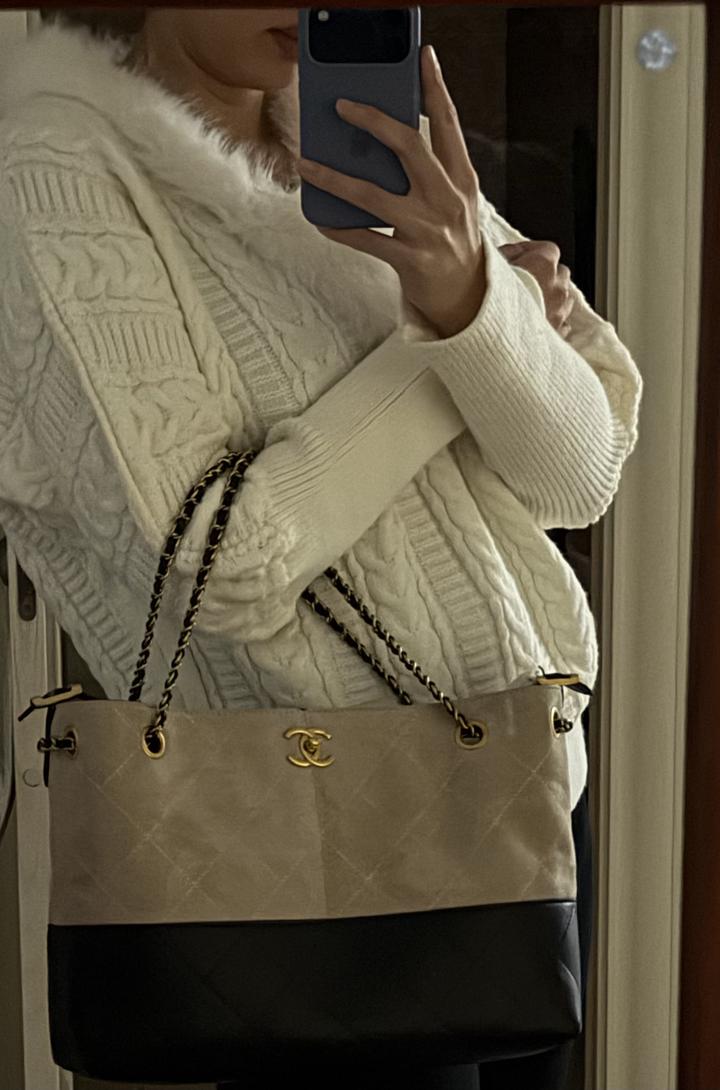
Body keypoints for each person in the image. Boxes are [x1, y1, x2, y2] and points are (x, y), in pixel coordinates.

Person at [0, 9, 641, 1089]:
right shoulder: (54, 166)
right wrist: (452, 337)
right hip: (309, 852)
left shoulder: (358, 135)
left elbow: (580, 475)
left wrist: (475, 303)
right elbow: (217, 563)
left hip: (514, 796)